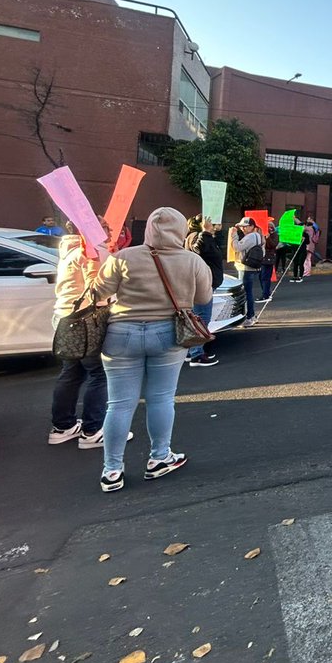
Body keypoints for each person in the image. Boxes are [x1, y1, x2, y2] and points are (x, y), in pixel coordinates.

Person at [91, 207, 212, 492]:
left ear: (149, 230)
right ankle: (159, 457)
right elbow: (204, 297)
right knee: (161, 399)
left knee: (119, 404)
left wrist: (100, 260)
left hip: (121, 333)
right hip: (168, 333)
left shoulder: (123, 257)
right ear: (181, 230)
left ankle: (112, 471)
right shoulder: (192, 261)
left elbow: (98, 293)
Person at [49, 218, 109, 448]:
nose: (109, 229)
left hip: (66, 317)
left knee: (71, 372)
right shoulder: (88, 252)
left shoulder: (69, 249)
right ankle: (93, 431)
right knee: (98, 374)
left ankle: (62, 426)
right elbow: (98, 289)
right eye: (104, 225)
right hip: (86, 319)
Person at [184, 215, 223, 367]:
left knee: (198, 317)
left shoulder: (204, 236)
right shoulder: (196, 236)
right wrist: (206, 232)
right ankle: (196, 354)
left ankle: (192, 351)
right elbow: (198, 250)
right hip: (202, 284)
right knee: (201, 318)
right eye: (211, 223)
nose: (214, 225)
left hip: (205, 282)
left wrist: (212, 233)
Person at [231, 216, 264, 325]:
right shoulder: (259, 236)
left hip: (247, 268)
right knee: (249, 292)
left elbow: (236, 247)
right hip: (254, 267)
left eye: (245, 227)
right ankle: (252, 316)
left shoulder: (250, 237)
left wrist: (234, 235)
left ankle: (249, 317)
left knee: (246, 293)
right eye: (242, 227)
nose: (242, 229)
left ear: (252, 226)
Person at [260, 221, 279, 299]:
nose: (269, 228)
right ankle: (266, 291)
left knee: (265, 277)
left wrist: (268, 238)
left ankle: (265, 294)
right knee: (261, 276)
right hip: (262, 258)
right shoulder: (262, 235)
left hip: (269, 258)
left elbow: (273, 245)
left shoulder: (275, 235)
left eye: (270, 227)